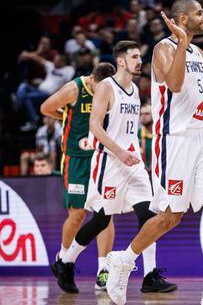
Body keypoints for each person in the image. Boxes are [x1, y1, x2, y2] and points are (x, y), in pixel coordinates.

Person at [105, 0, 203, 305]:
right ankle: (124, 259)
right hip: (174, 140)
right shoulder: (164, 48)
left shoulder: (198, 52)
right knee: (171, 216)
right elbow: (174, 84)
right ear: (182, 18)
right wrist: (183, 44)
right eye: (199, 13)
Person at [49, 42, 176, 294]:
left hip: (133, 164)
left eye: (140, 56)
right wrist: (119, 151)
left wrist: (133, 152)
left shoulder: (135, 89)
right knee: (100, 220)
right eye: (134, 57)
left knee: (149, 216)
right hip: (109, 163)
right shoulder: (106, 87)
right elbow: (95, 126)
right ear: (121, 61)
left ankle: (149, 276)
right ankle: (66, 262)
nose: (140, 61)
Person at [41, 62, 117, 291]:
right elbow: (46, 108)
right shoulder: (74, 89)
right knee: (78, 214)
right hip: (76, 159)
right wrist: (65, 116)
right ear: (92, 80)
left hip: (101, 157)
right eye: (98, 88)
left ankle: (103, 270)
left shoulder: (112, 89)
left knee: (106, 212)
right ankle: (63, 259)